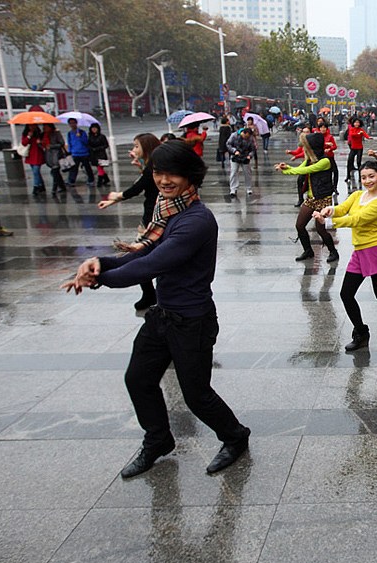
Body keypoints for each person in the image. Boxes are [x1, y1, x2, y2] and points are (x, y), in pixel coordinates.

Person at [61, 140, 251, 478]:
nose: (164, 180)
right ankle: (158, 439)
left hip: (191, 320)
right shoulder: (167, 212)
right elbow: (141, 253)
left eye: (172, 174)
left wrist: (99, 278)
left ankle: (235, 437)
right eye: (159, 172)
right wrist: (99, 263)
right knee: (138, 379)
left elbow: (153, 263)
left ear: (190, 176)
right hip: (163, 315)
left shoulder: (196, 220)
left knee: (196, 395)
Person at [313, 161, 377, 352]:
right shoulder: (357, 195)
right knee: (346, 294)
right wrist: (330, 210)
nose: (367, 180)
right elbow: (343, 208)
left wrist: (329, 222)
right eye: (364, 177)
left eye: (371, 176)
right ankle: (361, 333)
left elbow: (356, 219)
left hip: (375, 251)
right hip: (359, 252)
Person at [98, 133, 163, 310]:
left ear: (146, 147)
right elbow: (145, 184)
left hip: (153, 218)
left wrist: (116, 197)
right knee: (143, 255)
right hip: (151, 215)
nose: (133, 149)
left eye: (136, 146)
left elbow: (137, 188)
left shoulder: (153, 167)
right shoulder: (151, 165)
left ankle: (151, 294)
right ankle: (150, 293)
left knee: (141, 255)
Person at [277, 133, 338, 262]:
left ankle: (333, 252)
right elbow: (300, 168)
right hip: (311, 197)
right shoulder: (310, 159)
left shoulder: (325, 161)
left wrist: (286, 171)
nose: (304, 149)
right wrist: (286, 167)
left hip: (323, 198)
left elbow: (305, 171)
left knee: (320, 229)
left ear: (313, 147)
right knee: (299, 225)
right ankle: (308, 251)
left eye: (307, 146)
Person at [225, 127, 255, 198]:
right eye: (246, 136)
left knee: (247, 173)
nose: (246, 138)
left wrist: (250, 156)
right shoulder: (234, 136)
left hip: (245, 157)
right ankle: (233, 189)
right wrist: (234, 151)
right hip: (235, 156)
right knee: (233, 172)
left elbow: (253, 149)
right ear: (243, 133)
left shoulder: (250, 138)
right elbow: (228, 144)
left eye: (248, 137)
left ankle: (249, 188)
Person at [66, 118, 95, 186]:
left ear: (76, 123)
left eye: (73, 123)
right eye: (70, 123)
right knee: (74, 168)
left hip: (84, 153)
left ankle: (91, 180)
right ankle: (71, 180)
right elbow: (69, 143)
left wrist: (80, 137)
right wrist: (69, 152)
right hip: (75, 153)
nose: (72, 124)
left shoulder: (82, 132)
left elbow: (86, 142)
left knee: (87, 167)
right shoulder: (69, 133)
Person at [42, 123, 67, 194]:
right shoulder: (44, 135)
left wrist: (52, 146)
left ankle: (54, 188)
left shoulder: (56, 133)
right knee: (55, 173)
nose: (45, 128)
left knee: (54, 172)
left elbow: (61, 143)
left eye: (46, 127)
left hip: (56, 155)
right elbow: (43, 145)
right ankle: (62, 186)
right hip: (49, 156)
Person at [20, 124, 46, 194]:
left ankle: (36, 186)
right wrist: (28, 136)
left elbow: (45, 143)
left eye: (34, 126)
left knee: (35, 171)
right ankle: (41, 185)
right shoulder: (26, 133)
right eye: (30, 126)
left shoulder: (39, 133)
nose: (32, 127)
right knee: (36, 172)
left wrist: (40, 142)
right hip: (30, 155)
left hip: (38, 155)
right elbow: (24, 143)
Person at [345, 118, 371, 183]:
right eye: (355, 122)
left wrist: (368, 137)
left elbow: (365, 134)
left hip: (359, 148)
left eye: (358, 123)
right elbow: (352, 135)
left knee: (359, 162)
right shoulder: (352, 129)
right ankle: (348, 176)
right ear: (353, 123)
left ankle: (360, 176)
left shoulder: (361, 130)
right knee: (349, 161)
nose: (357, 124)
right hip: (353, 148)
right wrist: (359, 134)